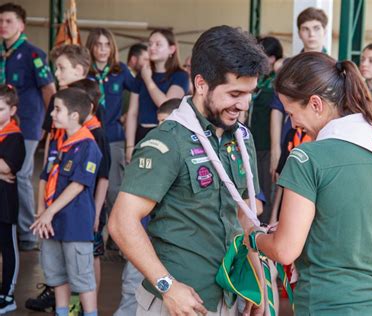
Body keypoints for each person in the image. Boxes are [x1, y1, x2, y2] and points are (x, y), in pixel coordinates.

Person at [108, 25, 268, 315]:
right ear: (201, 83)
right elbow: (121, 222)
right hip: (178, 302)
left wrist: (257, 283)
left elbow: (245, 216)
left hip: (230, 297)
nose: (243, 105)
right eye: (234, 93)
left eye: (249, 94)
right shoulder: (168, 141)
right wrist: (167, 286)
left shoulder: (242, 138)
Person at [249, 52, 372, 315]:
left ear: (315, 104)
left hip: (331, 304)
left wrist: (255, 237)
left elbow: (285, 250)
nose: (293, 123)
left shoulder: (307, 156)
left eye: (291, 113)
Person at [30, 87, 102, 316]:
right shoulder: (59, 142)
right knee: (57, 277)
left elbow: (78, 184)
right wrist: (42, 212)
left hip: (75, 225)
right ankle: (62, 313)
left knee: (82, 279)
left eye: (57, 109)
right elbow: (45, 177)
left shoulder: (88, 145)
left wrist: (49, 213)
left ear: (74, 115)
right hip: (51, 225)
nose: (51, 113)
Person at [113, 97, 180, 316]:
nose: (162, 127)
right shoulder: (151, 150)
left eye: (167, 121)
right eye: (159, 121)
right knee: (131, 285)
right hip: (142, 239)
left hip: (171, 245)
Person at [0, 2, 56, 250]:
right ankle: (9, 223)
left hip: (28, 124)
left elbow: (49, 90)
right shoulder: (3, 54)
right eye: (0, 21)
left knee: (21, 174)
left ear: (21, 25)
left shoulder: (33, 54)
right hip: (3, 123)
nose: (3, 26)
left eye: (9, 21)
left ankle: (26, 233)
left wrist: (49, 125)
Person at [85, 28, 135, 241]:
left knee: (114, 189)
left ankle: (117, 238)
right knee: (92, 185)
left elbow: (138, 92)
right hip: (89, 136)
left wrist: (128, 114)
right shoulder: (85, 71)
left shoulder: (120, 70)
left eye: (107, 44)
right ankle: (94, 233)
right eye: (98, 44)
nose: (103, 49)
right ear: (91, 47)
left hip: (114, 136)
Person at [269, 7, 328, 182]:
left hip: (322, 140)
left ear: (324, 31)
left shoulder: (334, 67)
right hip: (290, 139)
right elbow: (276, 108)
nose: (311, 34)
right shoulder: (288, 67)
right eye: (306, 29)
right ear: (299, 33)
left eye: (316, 28)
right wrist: (275, 148)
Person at [69, 78, 111, 294]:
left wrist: (95, 212)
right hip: (74, 206)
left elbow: (103, 177)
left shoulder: (98, 135)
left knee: (92, 253)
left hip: (91, 206)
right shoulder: (73, 133)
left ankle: (89, 302)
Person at [125, 28, 189, 160]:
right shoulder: (141, 75)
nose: (152, 48)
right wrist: (130, 146)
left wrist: (148, 80)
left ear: (172, 49)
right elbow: (132, 113)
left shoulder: (180, 75)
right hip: (141, 133)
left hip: (167, 135)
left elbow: (166, 105)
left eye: (158, 44)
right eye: (150, 44)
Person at [248, 36, 283, 223]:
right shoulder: (256, 81)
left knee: (268, 189)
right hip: (252, 142)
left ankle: (265, 227)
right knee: (254, 188)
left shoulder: (276, 83)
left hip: (268, 145)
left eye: (268, 56)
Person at [0, 84, 26, 314]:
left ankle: (8, 294)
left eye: (0, 109)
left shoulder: (14, 137)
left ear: (12, 110)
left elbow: (7, 166)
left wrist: (2, 169)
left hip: (5, 204)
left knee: (8, 249)